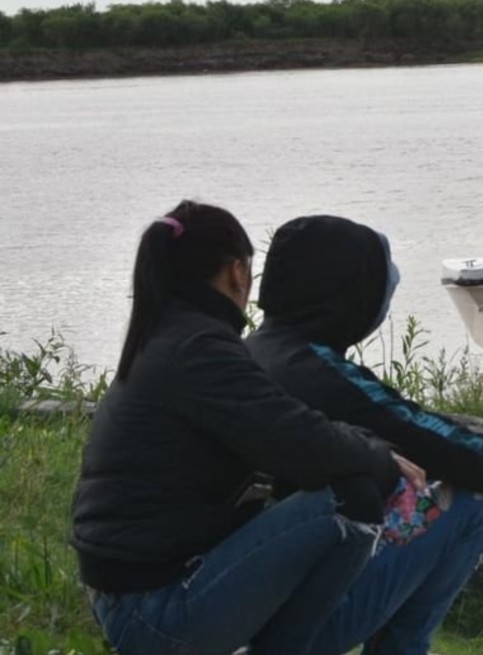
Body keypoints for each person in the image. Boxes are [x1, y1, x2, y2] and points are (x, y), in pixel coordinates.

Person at [71, 201, 426, 655]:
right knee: (350, 499)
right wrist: (379, 456)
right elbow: (297, 439)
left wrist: (361, 448)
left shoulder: (170, 336)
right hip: (153, 615)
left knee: (324, 482)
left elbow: (283, 427)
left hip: (135, 596)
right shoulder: (199, 348)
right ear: (238, 273)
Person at [245, 214, 483, 654]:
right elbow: (419, 430)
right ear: (348, 294)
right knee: (477, 498)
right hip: (294, 622)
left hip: (243, 603)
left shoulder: (250, 355)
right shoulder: (315, 370)